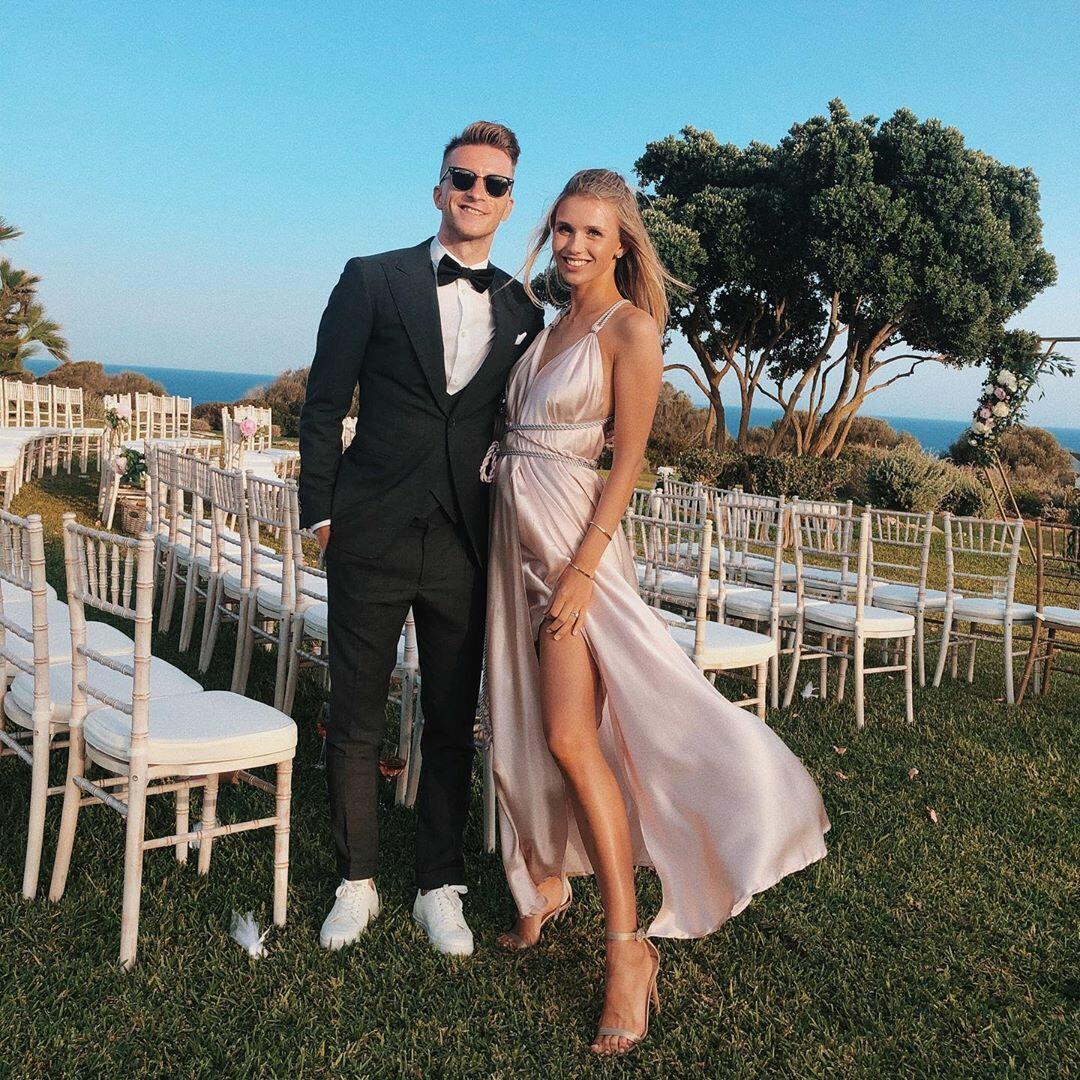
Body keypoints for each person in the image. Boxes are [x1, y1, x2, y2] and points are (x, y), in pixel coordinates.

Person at [483, 169, 830, 1055]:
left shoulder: (631, 330)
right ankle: (546, 883)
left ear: (623, 244)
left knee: (570, 737)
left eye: (594, 233)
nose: (575, 246)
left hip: (573, 551)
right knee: (528, 726)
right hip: (511, 544)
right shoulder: (546, 325)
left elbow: (628, 461)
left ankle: (628, 950)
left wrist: (581, 573)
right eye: (565, 229)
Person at [298, 121, 544, 956]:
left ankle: (439, 884)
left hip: (464, 543)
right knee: (356, 713)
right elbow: (323, 404)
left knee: (449, 720)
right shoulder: (371, 278)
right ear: (438, 188)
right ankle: (356, 879)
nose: (476, 192)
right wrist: (321, 514)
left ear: (509, 204)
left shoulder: (524, 309)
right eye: (462, 177)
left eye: (493, 184)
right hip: (368, 531)